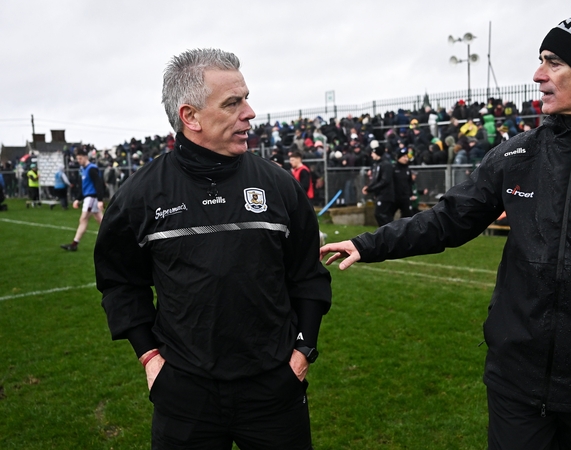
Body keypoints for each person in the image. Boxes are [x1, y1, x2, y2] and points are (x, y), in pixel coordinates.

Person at [321, 11, 571, 450]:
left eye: (552, 62)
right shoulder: (517, 154)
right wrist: (366, 243)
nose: (537, 75)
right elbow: (447, 219)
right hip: (515, 382)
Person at [94, 48, 331, 449]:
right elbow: (120, 283)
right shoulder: (140, 195)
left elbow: (307, 275)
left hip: (274, 388)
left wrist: (303, 350)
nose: (251, 112)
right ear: (191, 116)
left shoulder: (278, 185)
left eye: (246, 98)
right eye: (233, 102)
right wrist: (150, 358)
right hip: (184, 394)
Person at [60, 149, 105, 251]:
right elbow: (84, 187)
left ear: (86, 157)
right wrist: (78, 199)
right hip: (89, 198)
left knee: (83, 219)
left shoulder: (91, 169)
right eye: (78, 158)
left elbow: (98, 184)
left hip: (92, 198)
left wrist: (100, 199)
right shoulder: (83, 169)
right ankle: (118, 238)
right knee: (102, 221)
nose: (79, 160)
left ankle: (74, 244)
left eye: (80, 158)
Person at [362, 141, 395, 226]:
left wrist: (370, 189)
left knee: (380, 214)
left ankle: (389, 233)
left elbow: (384, 181)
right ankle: (386, 234)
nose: (372, 155)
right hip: (380, 194)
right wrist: (369, 187)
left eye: (373, 153)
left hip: (386, 195)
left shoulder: (385, 164)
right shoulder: (377, 164)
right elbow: (375, 180)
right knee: (381, 214)